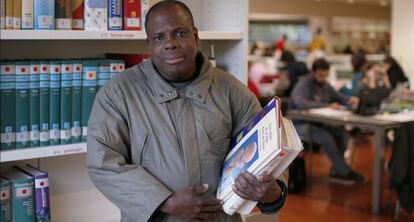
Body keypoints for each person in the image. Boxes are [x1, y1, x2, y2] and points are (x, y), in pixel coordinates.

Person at [86, 1, 288, 221]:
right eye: (158, 37)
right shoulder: (118, 94)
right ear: (149, 44)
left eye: (180, 33)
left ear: (196, 36)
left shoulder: (234, 93)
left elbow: (269, 156)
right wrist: (164, 201)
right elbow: (103, 164)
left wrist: (273, 191)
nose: (170, 44)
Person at [291, 58, 364, 185]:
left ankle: (337, 170)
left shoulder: (325, 85)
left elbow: (338, 96)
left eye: (326, 75)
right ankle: (344, 171)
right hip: (299, 124)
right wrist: (325, 105)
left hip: (319, 123)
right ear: (313, 72)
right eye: (320, 75)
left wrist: (349, 100)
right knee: (326, 138)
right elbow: (300, 102)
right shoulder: (303, 84)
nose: (323, 78)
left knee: (343, 134)